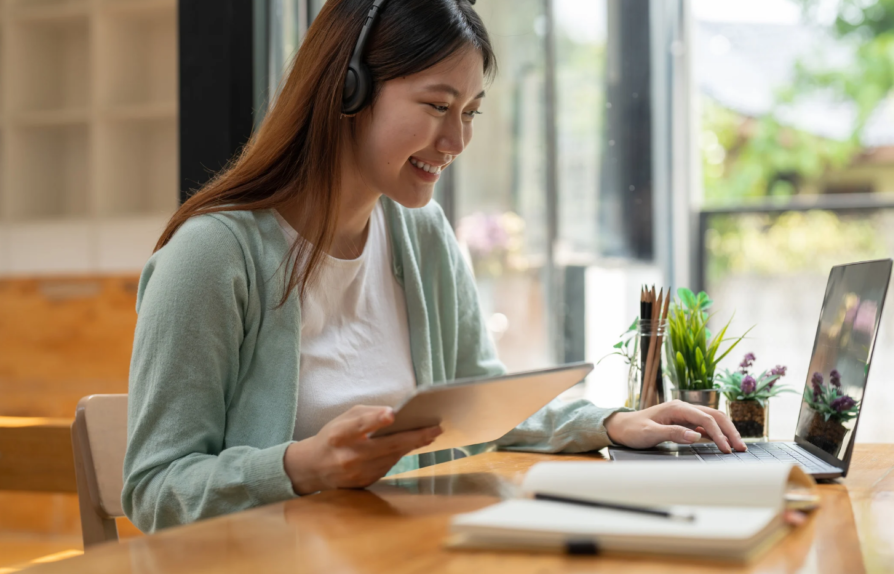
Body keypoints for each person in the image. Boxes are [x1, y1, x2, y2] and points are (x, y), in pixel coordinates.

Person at [122, 0, 746, 533]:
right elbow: (154, 490)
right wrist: (303, 466)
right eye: (437, 106)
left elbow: (481, 405)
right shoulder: (212, 257)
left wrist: (611, 422)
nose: (457, 142)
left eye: (470, 111)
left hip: (402, 551)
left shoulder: (420, 235)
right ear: (348, 90)